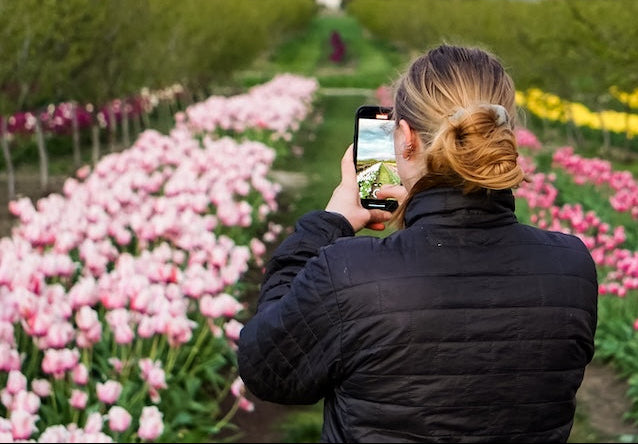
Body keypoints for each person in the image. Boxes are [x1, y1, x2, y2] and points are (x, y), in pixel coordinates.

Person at [237, 44, 598, 443]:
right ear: (502, 136)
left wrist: (328, 222)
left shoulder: (349, 274)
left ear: (405, 138)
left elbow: (268, 370)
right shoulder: (572, 266)